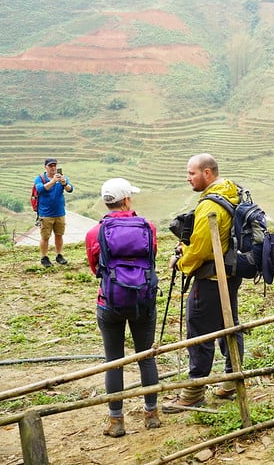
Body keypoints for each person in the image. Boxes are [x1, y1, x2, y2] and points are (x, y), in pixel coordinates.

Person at [163, 153, 243, 412]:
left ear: (208, 173)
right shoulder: (232, 191)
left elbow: (198, 250)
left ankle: (194, 391)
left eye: (192, 173)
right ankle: (232, 380)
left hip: (210, 277)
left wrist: (181, 262)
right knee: (228, 324)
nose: (188, 178)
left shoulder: (210, 205)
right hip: (231, 273)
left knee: (199, 331)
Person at [85, 178, 160, 437]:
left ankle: (116, 421)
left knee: (113, 361)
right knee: (146, 357)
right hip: (143, 300)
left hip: (109, 302)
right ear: (127, 200)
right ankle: (152, 414)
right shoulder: (147, 227)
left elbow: (96, 267)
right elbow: (152, 260)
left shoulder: (95, 232)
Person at [35, 157, 74, 267]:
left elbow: (70, 189)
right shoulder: (40, 178)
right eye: (50, 166)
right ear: (45, 167)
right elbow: (40, 189)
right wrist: (53, 181)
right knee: (45, 237)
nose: (53, 168)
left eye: (54, 165)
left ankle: (59, 255)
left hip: (60, 212)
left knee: (59, 235)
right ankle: (44, 257)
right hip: (46, 214)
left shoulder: (62, 178)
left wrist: (64, 183)